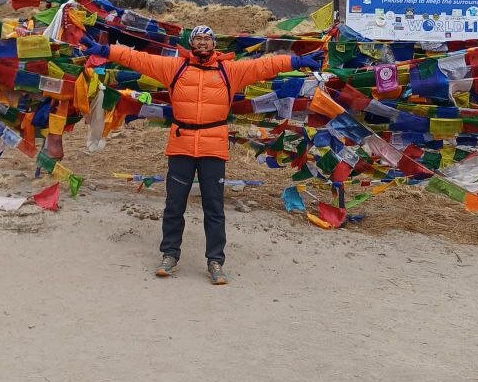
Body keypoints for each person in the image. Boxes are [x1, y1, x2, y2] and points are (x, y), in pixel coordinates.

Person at [81, 25, 321, 284]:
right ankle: (169, 254)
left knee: (214, 206)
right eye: (198, 39)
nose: (203, 43)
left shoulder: (230, 71)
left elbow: (264, 66)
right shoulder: (175, 67)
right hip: (181, 143)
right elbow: (138, 58)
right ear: (192, 43)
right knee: (174, 204)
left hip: (213, 145)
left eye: (207, 39)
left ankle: (215, 261)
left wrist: (296, 60)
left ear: (214, 44)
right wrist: (105, 50)